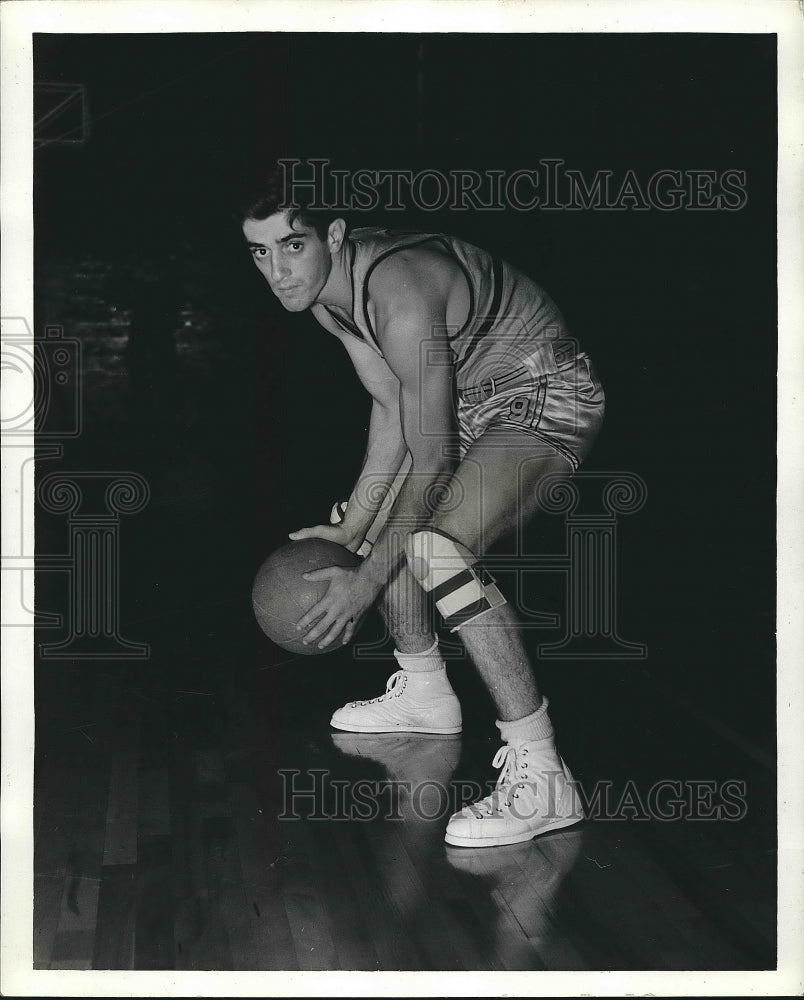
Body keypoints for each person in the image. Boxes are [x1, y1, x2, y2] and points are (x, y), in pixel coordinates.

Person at [240, 174, 605, 847]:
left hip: (545, 391)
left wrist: (365, 581)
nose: (277, 269)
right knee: (381, 524)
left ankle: (542, 771)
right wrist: (353, 527)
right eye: (260, 252)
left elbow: (431, 459)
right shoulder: (329, 299)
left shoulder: (399, 290)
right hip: (472, 403)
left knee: (436, 546)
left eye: (291, 245)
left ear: (336, 235)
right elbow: (392, 407)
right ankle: (426, 690)